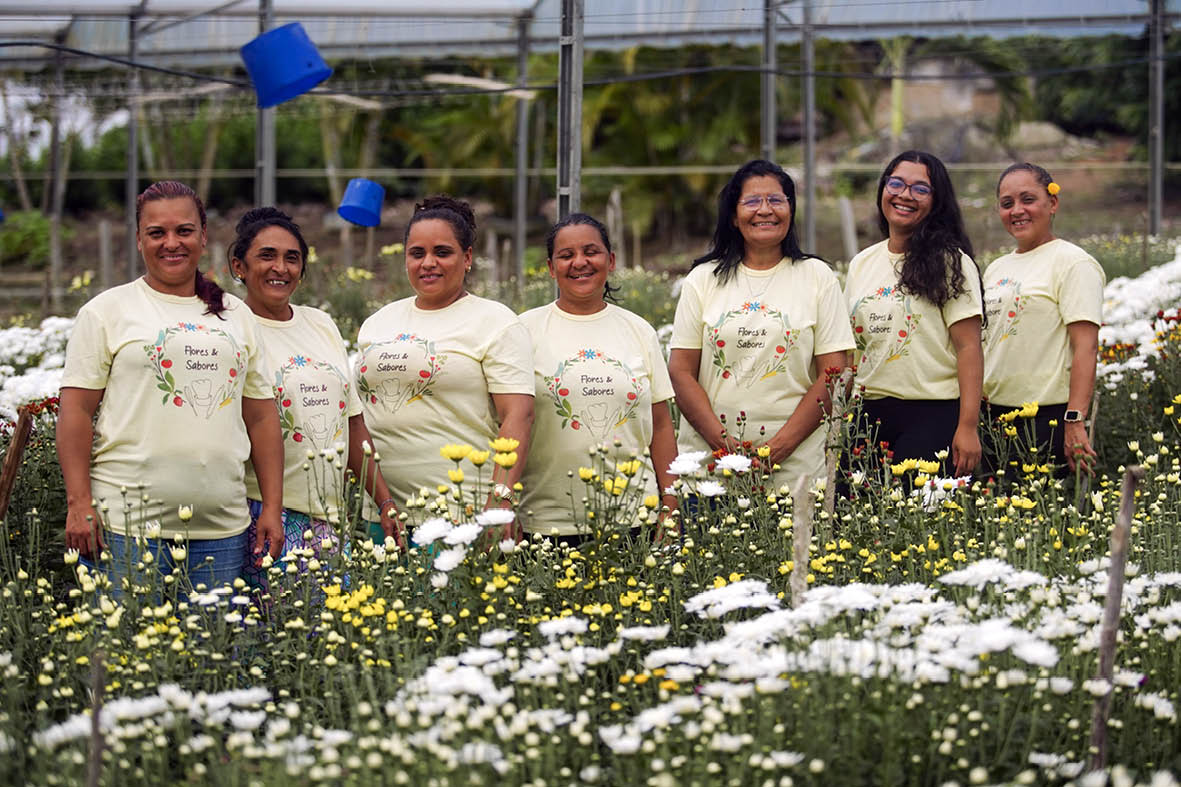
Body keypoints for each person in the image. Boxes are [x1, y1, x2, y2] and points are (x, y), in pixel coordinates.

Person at [57, 181, 284, 590]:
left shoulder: (237, 317)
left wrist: (272, 507)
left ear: (203, 236)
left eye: (183, 230)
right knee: (122, 652)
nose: (171, 243)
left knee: (211, 654)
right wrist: (79, 504)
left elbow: (263, 418)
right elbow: (75, 411)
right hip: (123, 529)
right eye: (157, 233)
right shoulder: (107, 312)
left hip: (223, 531)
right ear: (139, 240)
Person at [227, 207, 403, 591]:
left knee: (318, 637)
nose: (281, 268)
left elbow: (352, 421)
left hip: (327, 518)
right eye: (267, 256)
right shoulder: (231, 327)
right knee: (274, 637)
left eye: (292, 258)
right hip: (263, 512)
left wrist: (384, 501)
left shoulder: (319, 324)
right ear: (239, 266)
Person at [355, 196, 534, 541]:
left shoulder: (496, 322)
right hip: (384, 513)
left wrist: (499, 502)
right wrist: (381, 501)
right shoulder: (377, 323)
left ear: (467, 258)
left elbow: (519, 415)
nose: (428, 263)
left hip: (462, 513)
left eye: (443, 252)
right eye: (417, 253)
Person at [668, 159, 854, 489]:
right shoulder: (702, 280)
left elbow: (835, 373)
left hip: (797, 470)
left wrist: (779, 448)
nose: (765, 210)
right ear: (733, 216)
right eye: (752, 201)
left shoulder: (817, 277)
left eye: (776, 200)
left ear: (790, 210)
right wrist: (724, 446)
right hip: (711, 470)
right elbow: (681, 371)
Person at [519, 213, 678, 542]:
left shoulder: (639, 331)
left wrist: (670, 507)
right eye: (566, 256)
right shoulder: (523, 331)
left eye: (591, 252)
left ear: (611, 260)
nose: (580, 262)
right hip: (546, 522)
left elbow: (661, 426)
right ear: (551, 267)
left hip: (635, 518)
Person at [845, 150, 983, 476]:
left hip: (932, 413)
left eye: (920, 189)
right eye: (896, 183)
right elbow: (852, 350)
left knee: (920, 521)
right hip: (868, 415)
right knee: (857, 518)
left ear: (936, 202)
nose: (905, 195)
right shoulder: (861, 263)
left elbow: (969, 347)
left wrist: (967, 426)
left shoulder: (952, 261)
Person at [982, 163, 1104, 471]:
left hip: (1048, 419)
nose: (1017, 210)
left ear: (1052, 203)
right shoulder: (996, 269)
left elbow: (1086, 347)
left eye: (1028, 199)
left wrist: (1075, 420)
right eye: (1007, 203)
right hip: (995, 419)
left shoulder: (1073, 263)